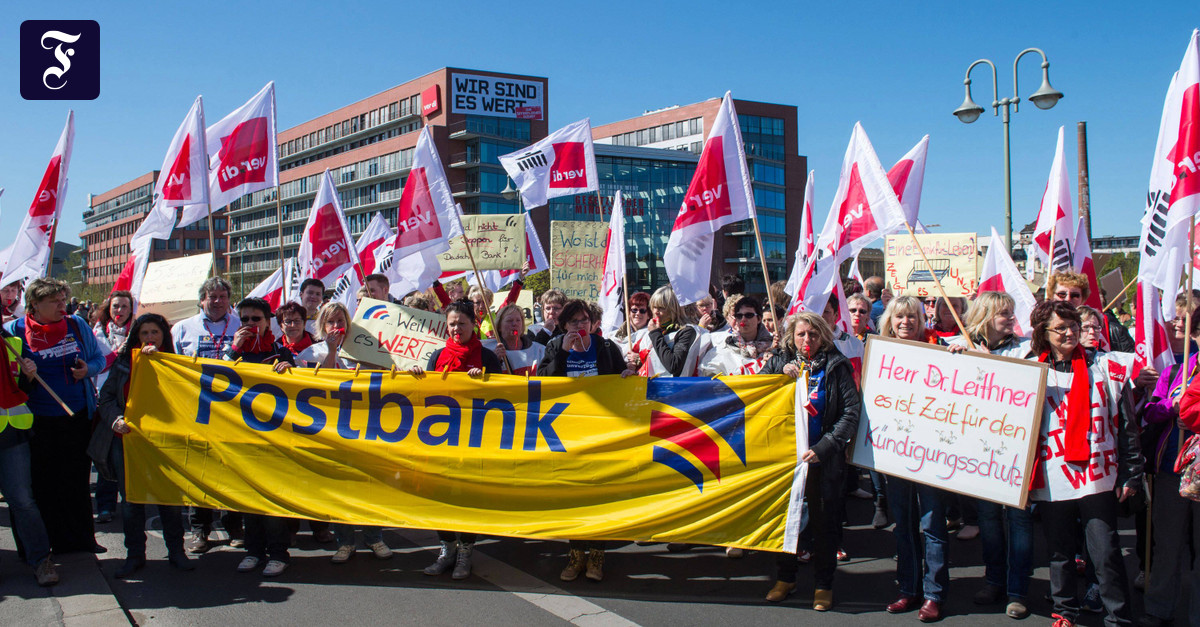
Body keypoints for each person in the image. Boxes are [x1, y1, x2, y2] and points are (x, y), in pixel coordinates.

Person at [1026, 300, 1141, 627]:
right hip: (1052, 478)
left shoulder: (1106, 367)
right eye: (1060, 328)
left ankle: (1118, 618)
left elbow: (1127, 425)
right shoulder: (1030, 370)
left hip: (1097, 477)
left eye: (1073, 325)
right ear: (1044, 333)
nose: (1069, 333)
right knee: (1059, 553)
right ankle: (1065, 611)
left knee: (1105, 553)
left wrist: (1131, 473)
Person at [760, 312, 860, 612]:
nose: (807, 340)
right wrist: (778, 374)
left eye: (813, 334)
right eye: (801, 334)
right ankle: (785, 578)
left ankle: (823, 585)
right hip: (787, 459)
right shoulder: (780, 361)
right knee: (786, 523)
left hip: (822, 460)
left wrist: (825, 447)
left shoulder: (836, 365)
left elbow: (850, 412)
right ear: (791, 337)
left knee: (824, 526)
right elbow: (757, 393)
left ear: (823, 336)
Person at [4, 278, 106, 555]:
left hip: (77, 417)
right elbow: (8, 375)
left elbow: (100, 359)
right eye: (54, 302)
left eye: (63, 300)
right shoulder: (14, 330)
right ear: (34, 304)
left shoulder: (77, 325)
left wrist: (87, 370)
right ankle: (42, 545)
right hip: (35, 421)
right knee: (41, 483)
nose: (63, 306)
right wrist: (24, 375)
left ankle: (80, 541)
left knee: (75, 481)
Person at [538, 299, 635, 581]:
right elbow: (542, 381)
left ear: (592, 323)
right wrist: (563, 354)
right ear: (563, 325)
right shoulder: (555, 346)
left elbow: (621, 379)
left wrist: (628, 374)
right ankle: (575, 555)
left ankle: (597, 556)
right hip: (567, 433)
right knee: (574, 496)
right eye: (574, 321)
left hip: (600, 433)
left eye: (584, 320)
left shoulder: (606, 347)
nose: (579, 326)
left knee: (598, 495)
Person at [949, 292, 1033, 619]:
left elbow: (1027, 387)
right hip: (980, 452)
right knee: (988, 520)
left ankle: (1018, 590)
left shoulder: (1026, 349)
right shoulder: (961, 345)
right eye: (1004, 314)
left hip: (1016, 451)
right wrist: (957, 358)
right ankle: (994, 580)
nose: (1011, 318)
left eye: (1011, 313)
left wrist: (993, 364)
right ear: (985, 316)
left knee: (1019, 521)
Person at [98, 313, 194, 578]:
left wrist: (161, 364)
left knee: (169, 499)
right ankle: (135, 555)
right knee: (131, 501)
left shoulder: (176, 364)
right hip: (128, 441)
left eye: (155, 333)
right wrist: (115, 419)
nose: (150, 338)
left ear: (164, 336)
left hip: (164, 443)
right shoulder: (123, 364)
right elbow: (106, 399)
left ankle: (176, 551)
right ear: (136, 337)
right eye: (144, 333)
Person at [410, 300, 500, 580]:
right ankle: (447, 549)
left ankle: (465, 552)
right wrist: (417, 377)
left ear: (474, 324)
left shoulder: (487, 357)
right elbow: (425, 394)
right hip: (440, 439)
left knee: (467, 495)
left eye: (462, 323)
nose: (456, 329)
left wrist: (485, 380)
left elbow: (505, 396)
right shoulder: (437, 356)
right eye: (452, 324)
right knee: (440, 495)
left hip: (474, 440)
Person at [877, 295, 948, 621]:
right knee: (903, 525)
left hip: (932, 453)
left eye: (912, 317)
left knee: (932, 524)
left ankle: (934, 594)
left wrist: (957, 357)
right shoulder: (880, 354)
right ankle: (908, 588)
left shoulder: (940, 349)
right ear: (890, 321)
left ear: (922, 321)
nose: (905, 322)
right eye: (899, 317)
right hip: (897, 452)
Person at [225, 298, 295, 577]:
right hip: (243, 435)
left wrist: (289, 371)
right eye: (245, 319)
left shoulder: (281, 352)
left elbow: (300, 389)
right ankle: (253, 551)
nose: (250, 324)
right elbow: (214, 380)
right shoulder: (232, 352)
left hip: (274, 438)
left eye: (256, 319)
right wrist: (233, 350)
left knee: (273, 498)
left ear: (268, 322)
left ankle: (278, 553)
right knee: (249, 498)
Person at [1140, 308, 1200, 626]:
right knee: (1167, 544)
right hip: (1171, 471)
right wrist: (1171, 407)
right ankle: (1159, 609)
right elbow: (1150, 412)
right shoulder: (1176, 371)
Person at [172, 277, 241, 553]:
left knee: (231, 471)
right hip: (196, 411)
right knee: (198, 471)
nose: (218, 301)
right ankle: (199, 530)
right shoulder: (182, 328)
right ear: (202, 300)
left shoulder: (240, 326)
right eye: (212, 297)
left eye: (223, 296)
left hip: (232, 413)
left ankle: (234, 526)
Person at [0, 315, 58, 585]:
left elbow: (22, 388)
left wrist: (29, 375)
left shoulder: (12, 342)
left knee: (23, 501)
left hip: (13, 431)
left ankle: (41, 560)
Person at [1048, 270, 1134, 353]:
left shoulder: (1106, 330)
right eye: (1062, 294)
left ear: (1082, 298)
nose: (1068, 299)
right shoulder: (1043, 326)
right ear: (1052, 296)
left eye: (1075, 295)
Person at [628, 285, 703, 377]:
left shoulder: (687, 331)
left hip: (676, 385)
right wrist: (633, 369)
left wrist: (655, 334)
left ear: (673, 309)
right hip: (651, 384)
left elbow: (673, 366)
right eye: (654, 307)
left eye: (661, 308)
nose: (656, 311)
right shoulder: (651, 331)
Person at [700, 295, 774, 376]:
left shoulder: (773, 347)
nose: (743, 319)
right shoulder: (721, 351)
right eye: (739, 316)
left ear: (759, 319)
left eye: (749, 315)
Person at [485, 304, 544, 375]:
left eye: (518, 320)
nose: (514, 324)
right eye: (509, 321)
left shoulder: (539, 350)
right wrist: (494, 360)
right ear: (499, 326)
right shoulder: (488, 350)